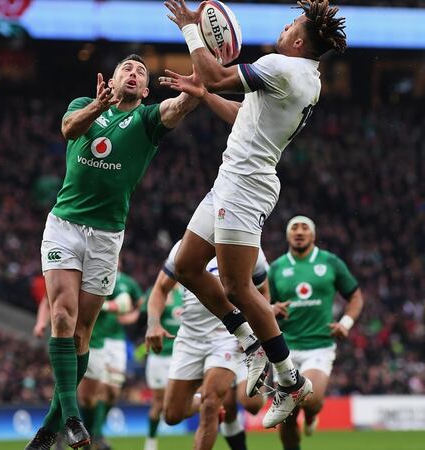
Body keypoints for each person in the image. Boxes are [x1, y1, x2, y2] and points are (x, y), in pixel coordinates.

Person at [161, 0, 347, 427]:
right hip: (233, 179)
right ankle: (250, 342)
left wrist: (191, 29)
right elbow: (242, 114)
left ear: (298, 42)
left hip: (246, 186)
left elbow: (217, 72)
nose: (283, 28)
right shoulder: (304, 77)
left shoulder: (281, 67)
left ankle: (290, 379)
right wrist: (205, 93)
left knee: (238, 287)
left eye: (290, 25)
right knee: (188, 266)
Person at [25, 54, 201, 450]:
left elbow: (180, 106)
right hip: (65, 225)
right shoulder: (82, 107)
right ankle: (71, 415)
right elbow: (70, 129)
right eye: (127, 68)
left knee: (82, 332)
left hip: (107, 235)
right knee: (62, 316)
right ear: (113, 78)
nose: (134, 73)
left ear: (146, 88)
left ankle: (50, 426)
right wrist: (98, 105)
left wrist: (196, 89)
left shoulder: (148, 120)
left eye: (141, 72)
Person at [146, 240, 267, 450]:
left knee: (211, 404)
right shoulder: (185, 245)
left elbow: (263, 292)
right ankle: (204, 400)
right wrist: (153, 324)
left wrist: (256, 332)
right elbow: (159, 289)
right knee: (172, 415)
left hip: (228, 336)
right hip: (190, 338)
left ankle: (212, 403)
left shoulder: (248, 244)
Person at [267, 216, 363, 450]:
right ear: (288, 235)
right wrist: (270, 308)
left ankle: (311, 416)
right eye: (294, 228)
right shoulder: (277, 267)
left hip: (319, 346)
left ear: (313, 234)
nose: (299, 232)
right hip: (284, 349)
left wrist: (346, 323)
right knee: (287, 415)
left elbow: (355, 297)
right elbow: (261, 304)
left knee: (310, 399)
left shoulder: (330, 262)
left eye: (305, 228)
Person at [79, 271, 141, 450]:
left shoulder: (126, 281)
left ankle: (95, 433)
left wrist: (133, 316)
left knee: (113, 391)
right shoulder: (92, 274)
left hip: (117, 341)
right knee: (96, 389)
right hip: (98, 338)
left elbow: (138, 303)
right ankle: (94, 436)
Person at [140, 284, 183, 450]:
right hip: (159, 355)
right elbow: (145, 315)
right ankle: (150, 442)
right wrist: (161, 304)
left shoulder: (188, 292)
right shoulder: (157, 291)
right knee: (159, 403)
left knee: (182, 400)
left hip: (181, 356)